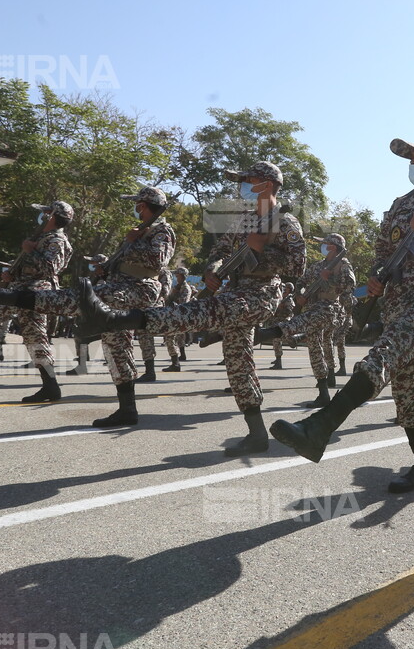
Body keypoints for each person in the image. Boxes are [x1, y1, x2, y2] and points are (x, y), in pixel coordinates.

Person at [269, 135, 414, 494]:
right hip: (398, 300)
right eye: (410, 157)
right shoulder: (399, 206)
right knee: (406, 386)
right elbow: (384, 249)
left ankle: (320, 426)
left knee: (381, 356)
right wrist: (377, 276)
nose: (413, 162)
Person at [75, 161, 305, 455]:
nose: (243, 185)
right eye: (243, 180)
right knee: (237, 362)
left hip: (261, 294)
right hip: (235, 291)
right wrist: (213, 269)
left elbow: (298, 266)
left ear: (269, 185)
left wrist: (264, 250)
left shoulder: (285, 223)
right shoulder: (243, 221)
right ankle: (257, 435)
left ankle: (113, 320)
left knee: (197, 312)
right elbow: (219, 253)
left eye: (249, 180)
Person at [0, 191, 171, 420]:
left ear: (143, 205)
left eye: (137, 204)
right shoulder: (142, 230)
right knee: (115, 345)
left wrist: (135, 243)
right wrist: (110, 267)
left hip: (136, 290)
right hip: (119, 288)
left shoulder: (161, 230)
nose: (135, 207)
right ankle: (127, 408)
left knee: (77, 300)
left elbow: (158, 262)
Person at [264, 233, 355, 404]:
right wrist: (300, 295)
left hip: (330, 310)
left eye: (325, 244)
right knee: (314, 347)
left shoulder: (343, 266)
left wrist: (330, 279)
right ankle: (323, 392)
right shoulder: (317, 266)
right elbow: (301, 282)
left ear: (333, 247)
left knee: (321, 339)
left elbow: (348, 289)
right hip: (313, 307)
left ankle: (276, 332)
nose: (322, 246)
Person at [162, 266, 195, 373]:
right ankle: (177, 360)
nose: (177, 278)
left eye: (179, 276)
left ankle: (176, 362)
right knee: (172, 338)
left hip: (181, 315)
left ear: (184, 276)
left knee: (171, 338)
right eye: (176, 276)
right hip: (174, 315)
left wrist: (174, 298)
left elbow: (183, 302)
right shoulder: (177, 287)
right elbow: (168, 299)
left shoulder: (186, 288)